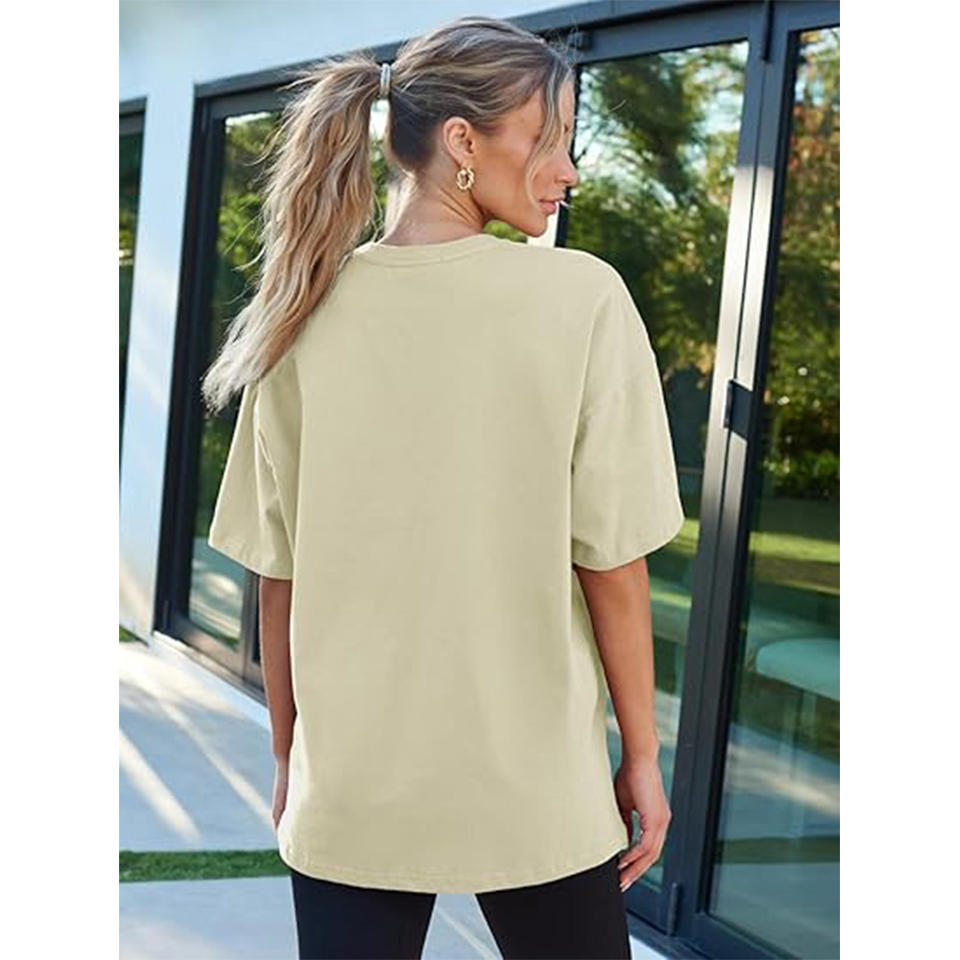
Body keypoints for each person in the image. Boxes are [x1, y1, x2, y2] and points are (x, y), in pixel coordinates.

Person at [202, 13, 684, 960]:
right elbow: (613, 566)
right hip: (537, 785)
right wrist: (641, 756)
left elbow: (277, 576)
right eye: (550, 139)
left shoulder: (300, 311)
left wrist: (291, 754)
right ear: (463, 142)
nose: (568, 171)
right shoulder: (583, 299)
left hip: (354, 781)